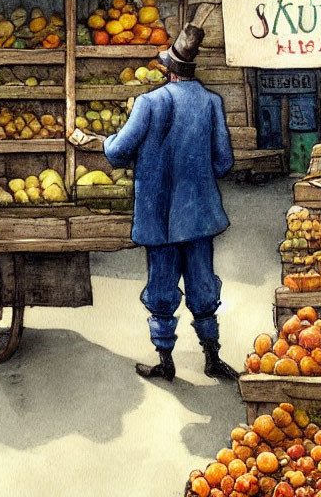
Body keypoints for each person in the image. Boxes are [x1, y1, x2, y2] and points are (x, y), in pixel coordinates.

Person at [103, 24, 239, 382]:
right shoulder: (212, 103)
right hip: (199, 215)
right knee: (203, 286)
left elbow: (117, 152)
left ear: (167, 68)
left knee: (161, 288)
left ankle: (166, 363)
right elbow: (224, 162)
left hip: (159, 215)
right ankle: (212, 357)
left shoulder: (149, 103)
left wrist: (98, 141)